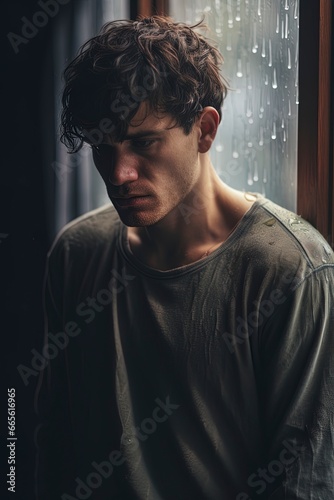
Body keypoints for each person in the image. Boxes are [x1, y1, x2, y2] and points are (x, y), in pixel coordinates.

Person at [35, 16, 334, 500]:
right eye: (101, 147)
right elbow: (52, 443)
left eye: (143, 141)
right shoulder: (76, 253)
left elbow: (306, 481)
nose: (118, 173)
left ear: (205, 129)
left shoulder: (292, 270)